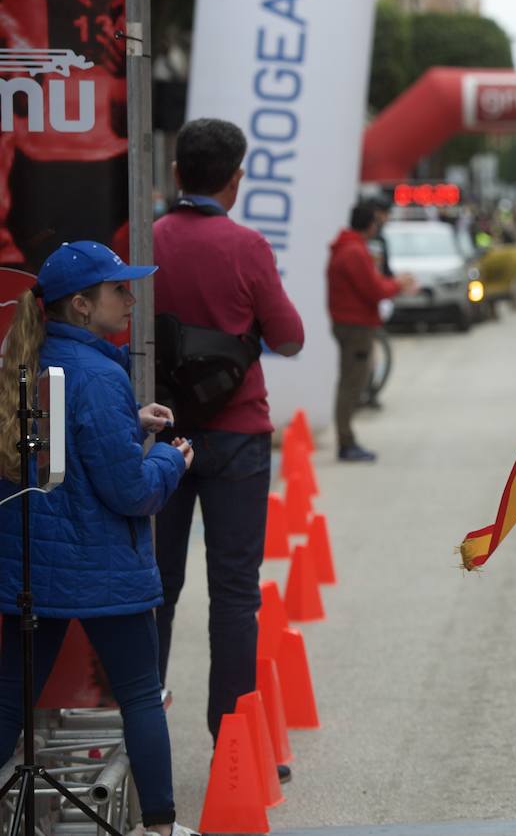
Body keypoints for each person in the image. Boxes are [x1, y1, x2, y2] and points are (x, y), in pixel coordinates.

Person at [0, 243, 197, 836]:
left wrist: (128, 422)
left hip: (34, 566)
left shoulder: (25, 360)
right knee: (140, 696)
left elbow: (65, 448)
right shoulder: (100, 374)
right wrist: (170, 459)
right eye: (119, 290)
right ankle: (159, 829)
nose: (131, 298)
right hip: (103, 568)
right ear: (81, 306)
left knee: (10, 696)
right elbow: (130, 491)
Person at [153, 118, 305, 772]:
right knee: (236, 592)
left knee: (154, 586)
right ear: (236, 179)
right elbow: (291, 335)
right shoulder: (247, 246)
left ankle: (143, 733)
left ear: (177, 173)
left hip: (157, 432)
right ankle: (232, 742)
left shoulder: (145, 236)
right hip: (238, 435)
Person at [327, 201, 417, 462]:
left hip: (350, 322)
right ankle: (346, 441)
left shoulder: (347, 247)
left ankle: (347, 439)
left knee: (352, 380)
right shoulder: (354, 252)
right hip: (355, 326)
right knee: (352, 383)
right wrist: (398, 284)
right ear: (370, 225)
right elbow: (374, 289)